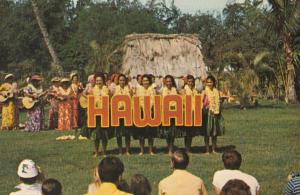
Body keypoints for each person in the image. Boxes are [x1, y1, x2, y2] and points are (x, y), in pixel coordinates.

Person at [134, 74, 157, 155]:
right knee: (141, 133)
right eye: (144, 81)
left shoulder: (152, 89)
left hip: (150, 112)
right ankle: (142, 150)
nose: (145, 82)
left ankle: (150, 150)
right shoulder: (138, 90)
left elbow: (154, 100)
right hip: (141, 113)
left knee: (150, 133)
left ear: (149, 81)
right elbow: (137, 100)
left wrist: (149, 108)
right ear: (141, 82)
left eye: (147, 80)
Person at [91, 72, 112, 157]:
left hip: (105, 113)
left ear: (103, 81)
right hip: (95, 113)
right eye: (97, 80)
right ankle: (96, 152)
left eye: (100, 80)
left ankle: (104, 152)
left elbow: (111, 99)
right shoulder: (92, 90)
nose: (99, 82)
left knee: (104, 134)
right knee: (96, 134)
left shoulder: (107, 89)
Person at [159, 75, 181, 155]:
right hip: (165, 113)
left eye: (170, 81)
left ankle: (171, 149)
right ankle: (169, 147)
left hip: (174, 113)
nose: (169, 83)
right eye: (167, 81)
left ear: (172, 82)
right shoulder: (162, 90)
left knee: (172, 132)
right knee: (167, 132)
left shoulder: (175, 90)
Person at [203, 75, 224, 154]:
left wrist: (218, 109)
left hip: (216, 113)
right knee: (207, 132)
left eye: (210, 82)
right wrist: (206, 105)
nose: (209, 84)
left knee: (214, 132)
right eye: (208, 82)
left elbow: (219, 101)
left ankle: (214, 149)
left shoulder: (216, 91)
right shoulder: (204, 91)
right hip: (207, 113)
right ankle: (207, 149)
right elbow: (201, 101)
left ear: (214, 82)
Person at [180, 75, 200, 153]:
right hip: (187, 112)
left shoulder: (195, 90)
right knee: (187, 131)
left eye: (192, 82)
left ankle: (189, 147)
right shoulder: (184, 90)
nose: (190, 83)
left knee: (191, 132)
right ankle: (186, 148)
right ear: (186, 82)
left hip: (194, 112)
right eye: (189, 82)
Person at [113, 74, 132, 155]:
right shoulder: (115, 89)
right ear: (118, 81)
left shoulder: (129, 89)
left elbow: (132, 100)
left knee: (127, 133)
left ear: (125, 81)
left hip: (127, 112)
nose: (122, 82)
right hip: (118, 113)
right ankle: (120, 150)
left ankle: (127, 150)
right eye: (120, 80)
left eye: (123, 80)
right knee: (119, 134)